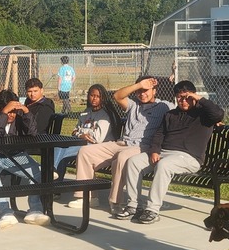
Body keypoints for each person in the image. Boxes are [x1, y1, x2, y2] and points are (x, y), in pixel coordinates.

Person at [120, 81, 224, 224]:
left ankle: (152, 210)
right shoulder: (171, 114)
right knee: (133, 162)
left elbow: (218, 113)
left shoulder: (204, 115)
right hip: (164, 153)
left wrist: (199, 98)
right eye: (179, 97)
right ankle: (134, 206)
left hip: (189, 158)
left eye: (187, 97)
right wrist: (155, 151)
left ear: (194, 96)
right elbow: (159, 134)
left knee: (164, 165)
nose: (183, 101)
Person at [71, 75, 173, 213]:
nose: (142, 94)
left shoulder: (164, 106)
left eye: (146, 90)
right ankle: (87, 196)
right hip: (122, 143)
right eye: (139, 91)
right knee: (85, 152)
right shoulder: (133, 105)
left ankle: (116, 202)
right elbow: (117, 96)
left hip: (142, 146)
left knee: (122, 157)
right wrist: (139, 85)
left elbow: (183, 109)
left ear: (154, 91)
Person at [0, 89, 50, 231]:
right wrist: (3, 114)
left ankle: (35, 210)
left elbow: (32, 132)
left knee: (37, 172)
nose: (12, 115)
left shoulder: (19, 115)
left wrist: (26, 112)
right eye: (9, 112)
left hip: (14, 155)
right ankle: (5, 212)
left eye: (14, 111)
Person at [53, 84, 119, 174]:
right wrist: (81, 135)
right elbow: (74, 131)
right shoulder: (86, 112)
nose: (94, 98)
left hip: (97, 148)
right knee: (58, 146)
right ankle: (54, 176)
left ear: (102, 98)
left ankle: (52, 175)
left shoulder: (105, 116)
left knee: (63, 154)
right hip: (82, 143)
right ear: (88, 96)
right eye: (92, 95)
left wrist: (81, 133)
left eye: (98, 96)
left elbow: (96, 139)